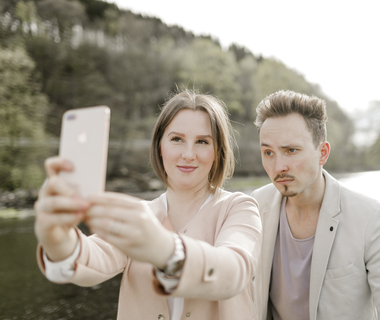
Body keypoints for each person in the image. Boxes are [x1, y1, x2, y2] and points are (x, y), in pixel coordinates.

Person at [34, 90, 262, 320]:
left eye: (202, 141)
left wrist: (164, 248)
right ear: (159, 146)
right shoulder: (141, 214)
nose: (188, 154)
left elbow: (233, 273)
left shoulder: (240, 208)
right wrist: (57, 238)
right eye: (176, 139)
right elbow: (91, 260)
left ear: (218, 152)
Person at [251, 90, 380, 319]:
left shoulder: (374, 221)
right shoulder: (253, 208)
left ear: (322, 153)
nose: (278, 165)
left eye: (291, 150)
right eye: (268, 152)